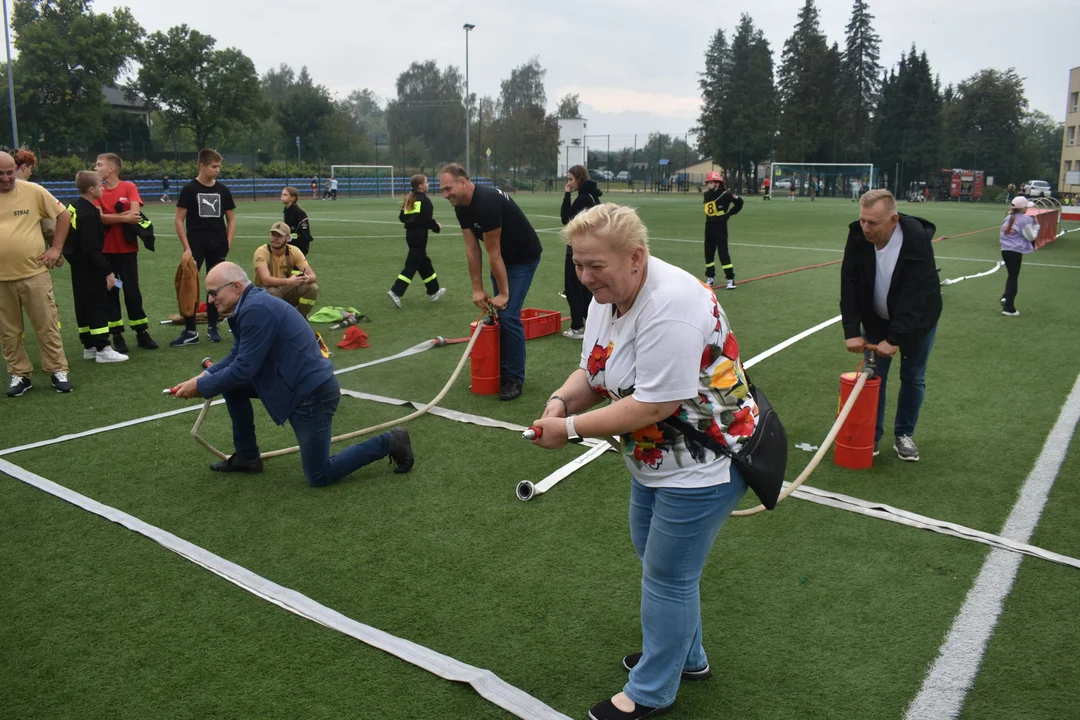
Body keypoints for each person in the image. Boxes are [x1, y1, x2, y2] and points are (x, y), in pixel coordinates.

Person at [528, 203, 754, 720]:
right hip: (659, 459)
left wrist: (570, 429)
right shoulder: (609, 295)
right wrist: (561, 402)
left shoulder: (670, 304)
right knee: (656, 558)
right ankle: (683, 657)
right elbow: (594, 369)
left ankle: (652, 690)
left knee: (668, 575)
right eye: (578, 264)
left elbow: (655, 405)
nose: (584, 278)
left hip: (704, 464)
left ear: (635, 257)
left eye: (594, 266)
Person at [169, 262, 415, 486]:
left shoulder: (255, 309)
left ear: (235, 287)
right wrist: (204, 377)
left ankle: (390, 441)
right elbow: (237, 355)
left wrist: (201, 388)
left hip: (311, 395)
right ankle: (247, 457)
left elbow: (244, 369)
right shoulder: (250, 304)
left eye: (213, 293)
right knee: (231, 386)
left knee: (319, 476)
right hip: (294, 385)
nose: (210, 300)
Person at [840, 189, 941, 462]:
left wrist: (895, 338)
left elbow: (916, 295)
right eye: (862, 220)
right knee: (873, 377)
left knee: (913, 377)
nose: (866, 228)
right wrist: (851, 331)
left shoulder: (917, 240)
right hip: (876, 319)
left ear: (894, 219)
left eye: (873, 223)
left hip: (919, 320)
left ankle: (904, 434)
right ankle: (871, 435)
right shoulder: (858, 235)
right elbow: (849, 281)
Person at [439, 163, 542, 401]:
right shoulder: (462, 206)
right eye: (443, 190)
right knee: (497, 314)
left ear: (463, 182)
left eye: (448, 189)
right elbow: (472, 250)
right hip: (504, 259)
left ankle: (514, 378)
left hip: (523, 257)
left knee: (508, 314)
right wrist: (477, 288)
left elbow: (493, 252)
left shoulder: (486, 202)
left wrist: (504, 293)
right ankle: (502, 370)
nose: (445, 195)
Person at [0, 152, 74, 396]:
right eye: (0, 174)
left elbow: (64, 215)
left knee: (46, 324)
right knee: (9, 331)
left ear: (16, 169)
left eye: (10, 172)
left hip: (34, 273)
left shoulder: (33, 191)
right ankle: (19, 374)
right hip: (2, 279)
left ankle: (57, 370)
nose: (6, 178)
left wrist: (56, 248)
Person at [173, 148, 236, 346]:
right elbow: (178, 220)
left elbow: (231, 219)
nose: (217, 170)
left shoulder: (223, 190)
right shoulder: (189, 189)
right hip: (195, 245)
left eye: (219, 166)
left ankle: (212, 326)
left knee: (216, 287)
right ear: (202, 166)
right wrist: (187, 247)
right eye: (213, 166)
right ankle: (190, 330)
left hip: (217, 244)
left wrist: (228, 242)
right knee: (190, 285)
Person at [96, 153, 158, 353]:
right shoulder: (98, 191)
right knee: (111, 292)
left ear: (111, 168)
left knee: (132, 291)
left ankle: (141, 332)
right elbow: (100, 220)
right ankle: (117, 335)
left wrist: (111, 217)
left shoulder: (129, 187)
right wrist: (123, 218)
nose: (95, 168)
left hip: (128, 250)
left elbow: (135, 215)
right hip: (105, 252)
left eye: (99, 164)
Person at [63, 171, 128, 363]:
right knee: (98, 303)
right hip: (90, 266)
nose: (103, 188)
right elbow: (91, 247)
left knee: (83, 304)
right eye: (100, 185)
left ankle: (89, 345)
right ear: (91, 189)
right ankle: (103, 348)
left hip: (78, 265)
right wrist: (107, 271)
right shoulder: (89, 213)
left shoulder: (74, 206)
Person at [389, 174, 446, 308]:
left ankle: (433, 291)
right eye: (426, 182)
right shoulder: (425, 201)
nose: (428, 184)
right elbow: (427, 220)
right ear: (420, 186)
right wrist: (437, 226)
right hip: (420, 237)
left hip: (410, 236)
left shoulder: (411, 199)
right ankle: (396, 291)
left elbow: (402, 217)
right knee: (412, 265)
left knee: (424, 263)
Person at [559, 165, 602, 338]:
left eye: (570, 179)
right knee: (585, 288)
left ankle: (577, 327)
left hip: (578, 249)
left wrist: (567, 194)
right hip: (592, 247)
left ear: (579, 179)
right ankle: (591, 324)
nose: (568, 183)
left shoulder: (583, 199)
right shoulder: (593, 196)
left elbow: (565, 219)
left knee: (573, 286)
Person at [253, 222, 319, 318]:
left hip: (285, 288)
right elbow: (265, 280)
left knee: (313, 288)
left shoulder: (294, 251)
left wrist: (306, 278)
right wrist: (289, 281)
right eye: (273, 235)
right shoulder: (262, 252)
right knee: (273, 292)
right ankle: (277, 320)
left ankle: (301, 317)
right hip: (264, 291)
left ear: (288, 238)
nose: (275, 238)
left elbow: (313, 276)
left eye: (279, 236)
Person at [702, 171, 743, 290]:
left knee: (723, 252)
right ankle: (710, 277)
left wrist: (730, 213)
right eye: (708, 182)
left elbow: (739, 202)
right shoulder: (707, 195)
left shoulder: (726, 194)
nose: (708, 184)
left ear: (717, 183)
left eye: (710, 182)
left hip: (720, 226)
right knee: (708, 252)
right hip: (709, 225)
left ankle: (730, 279)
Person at [999, 195, 1037, 317]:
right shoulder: (1025, 220)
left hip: (1005, 250)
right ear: (1023, 209)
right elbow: (1031, 237)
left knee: (1011, 275)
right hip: (1015, 251)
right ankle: (1009, 307)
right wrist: (1036, 226)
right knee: (1013, 277)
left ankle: (1006, 296)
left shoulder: (1008, 218)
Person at [281, 186, 312, 255]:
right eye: (282, 194)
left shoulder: (299, 212)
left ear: (292, 198)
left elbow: (304, 233)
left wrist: (291, 237)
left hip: (299, 246)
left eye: (285, 195)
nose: (282, 196)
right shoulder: (287, 210)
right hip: (290, 244)